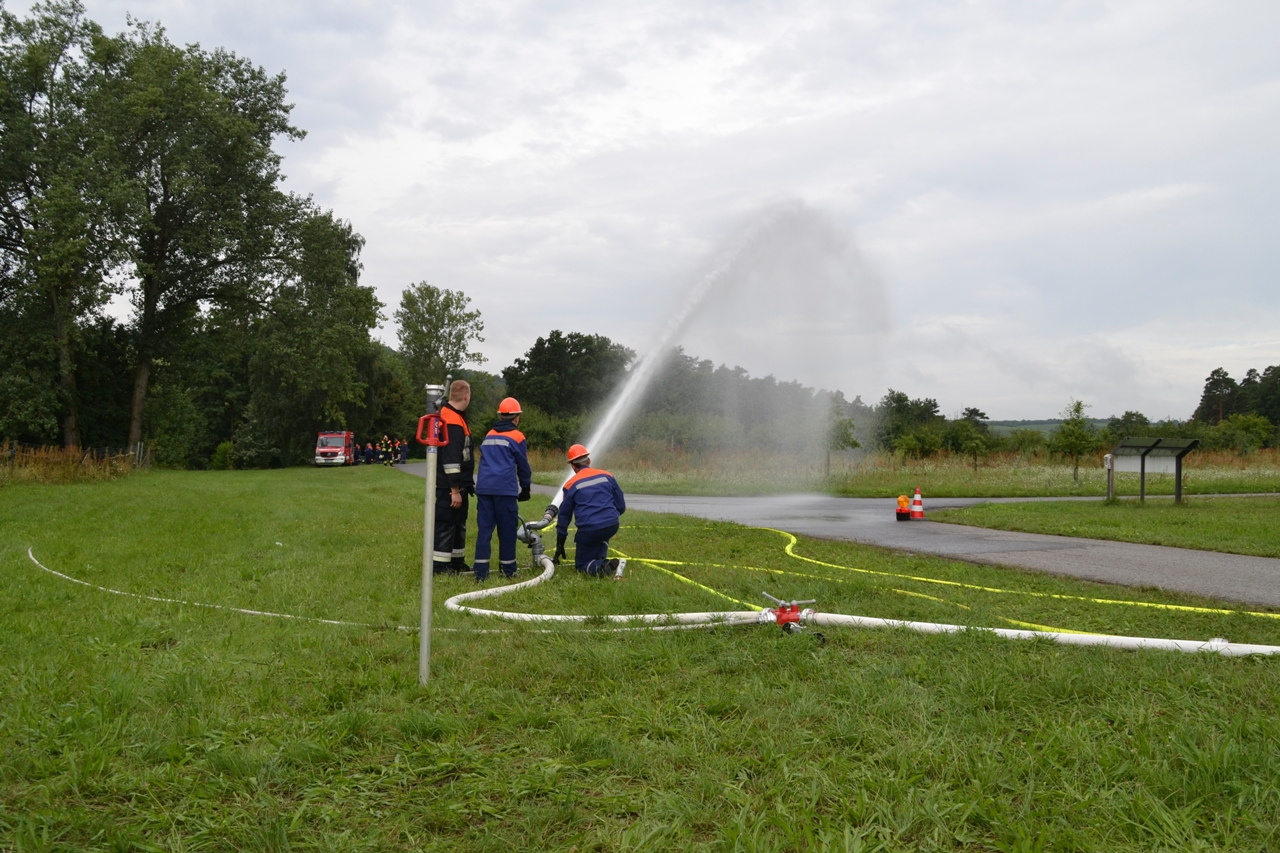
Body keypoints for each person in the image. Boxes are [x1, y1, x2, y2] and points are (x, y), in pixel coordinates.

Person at [472, 397, 532, 582]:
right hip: (505, 490)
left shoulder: (489, 435)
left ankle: (480, 574)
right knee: (507, 532)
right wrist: (526, 488)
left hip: (484, 489)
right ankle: (508, 571)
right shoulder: (517, 436)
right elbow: (523, 465)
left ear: (500, 416)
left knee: (484, 531)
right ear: (516, 418)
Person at [554, 444, 626, 577]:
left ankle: (603, 566)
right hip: (612, 525)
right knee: (602, 534)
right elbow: (621, 505)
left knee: (582, 565)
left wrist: (560, 544)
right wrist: (608, 518)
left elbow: (564, 517)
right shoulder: (607, 475)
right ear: (588, 460)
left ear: (572, 466)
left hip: (589, 531)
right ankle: (601, 560)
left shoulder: (570, 485)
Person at [434, 380, 475, 574]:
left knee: (458, 524)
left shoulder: (454, 417)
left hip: (458, 485)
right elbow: (451, 459)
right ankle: (440, 566)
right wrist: (455, 490)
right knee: (446, 524)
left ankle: (456, 563)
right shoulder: (452, 420)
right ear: (466, 396)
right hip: (450, 487)